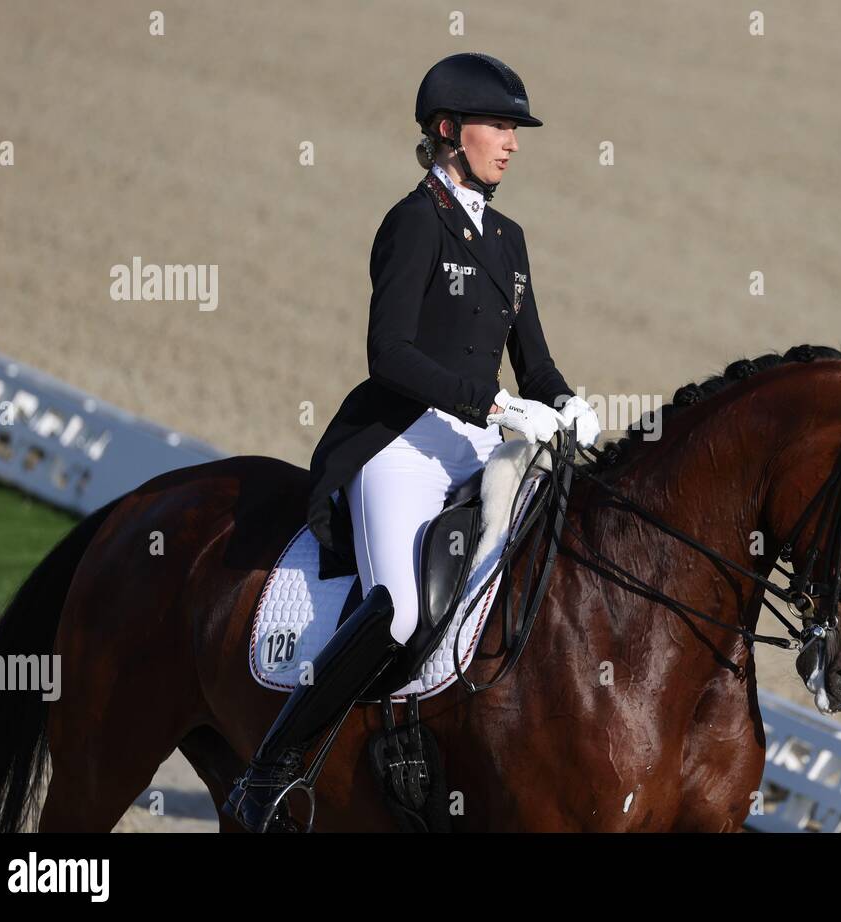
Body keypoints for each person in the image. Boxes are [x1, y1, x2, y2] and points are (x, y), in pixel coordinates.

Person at [222, 52, 601, 832]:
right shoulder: (412, 223)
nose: (514, 142)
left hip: (477, 440)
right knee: (399, 615)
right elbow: (389, 355)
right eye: (501, 126)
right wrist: (493, 403)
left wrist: (566, 403)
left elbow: (534, 360)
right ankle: (273, 769)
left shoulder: (509, 239)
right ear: (448, 131)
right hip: (399, 440)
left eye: (515, 128)